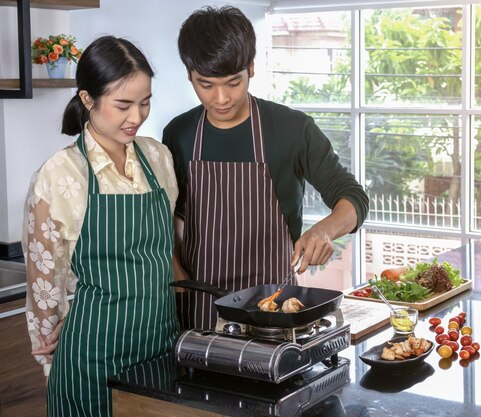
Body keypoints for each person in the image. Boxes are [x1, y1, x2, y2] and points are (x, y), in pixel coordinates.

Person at [164, 6, 369, 330]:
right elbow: (164, 216)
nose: (221, 98)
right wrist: (177, 272)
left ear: (251, 68)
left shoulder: (292, 129)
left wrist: (324, 230)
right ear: (189, 73)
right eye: (205, 84)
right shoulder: (179, 133)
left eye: (233, 82)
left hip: (274, 310)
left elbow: (353, 196)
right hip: (200, 307)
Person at [22, 36, 180, 417]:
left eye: (145, 102)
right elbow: (45, 282)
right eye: (123, 105)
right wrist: (51, 348)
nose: (137, 116)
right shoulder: (59, 174)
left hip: (160, 347)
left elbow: (164, 250)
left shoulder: (158, 157)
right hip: (93, 358)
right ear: (88, 99)